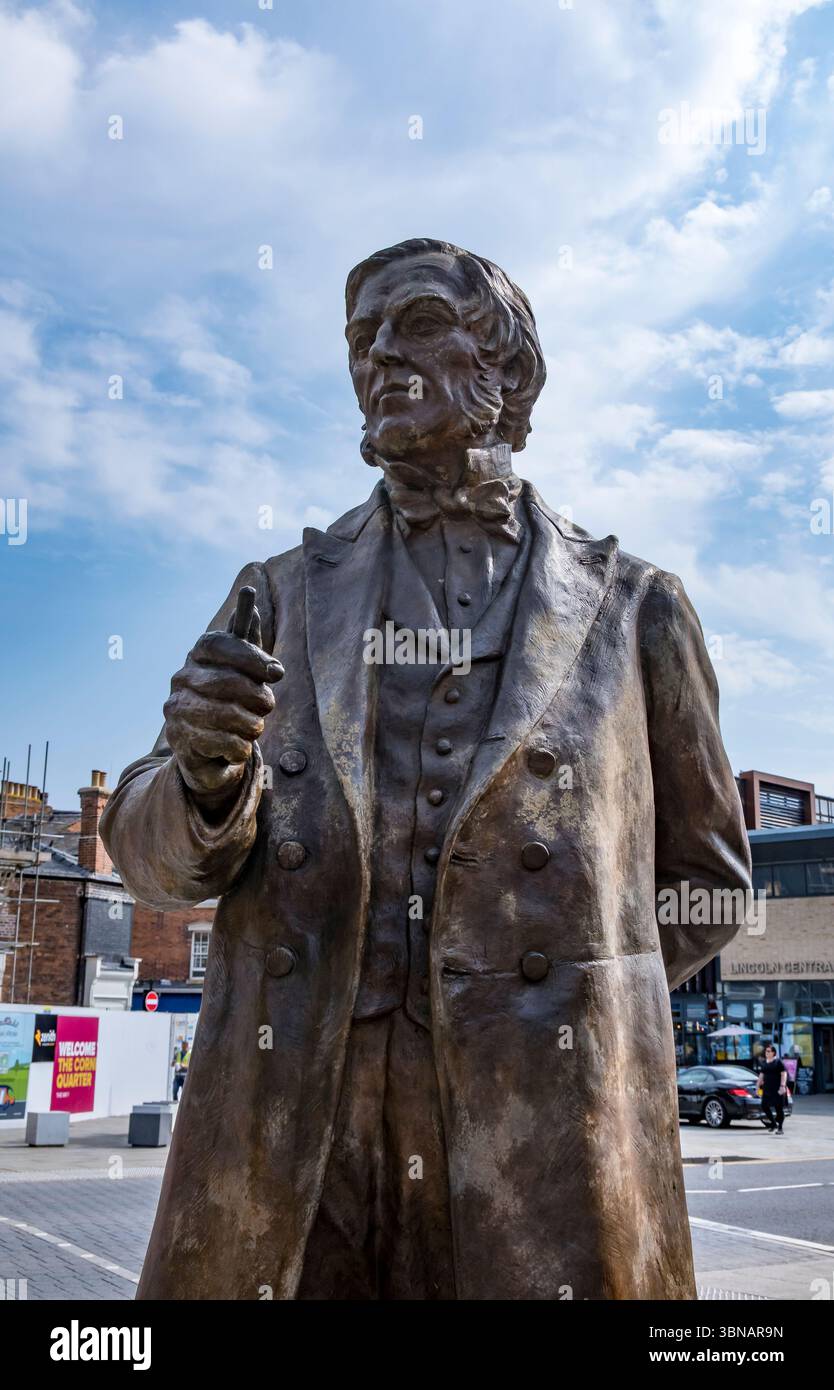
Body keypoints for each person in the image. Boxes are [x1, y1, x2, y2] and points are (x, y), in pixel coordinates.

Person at [101, 238, 751, 1301]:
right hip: (296, 1137)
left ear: (505, 369)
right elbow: (148, 851)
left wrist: (552, 993)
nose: (378, 358)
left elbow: (710, 883)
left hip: (535, 1142)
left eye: (415, 325)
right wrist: (207, 780)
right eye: (362, 340)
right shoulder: (282, 592)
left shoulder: (638, 610)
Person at [759, 1044, 788, 1134]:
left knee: (778, 1108)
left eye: (768, 1051)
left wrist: (782, 1085)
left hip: (777, 1089)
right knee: (764, 1105)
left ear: (773, 1053)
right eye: (766, 1051)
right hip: (767, 1089)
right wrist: (758, 1086)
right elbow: (761, 1075)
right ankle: (773, 1123)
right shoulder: (765, 1063)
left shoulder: (778, 1062)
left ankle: (780, 1128)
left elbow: (784, 1074)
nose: (766, 1053)